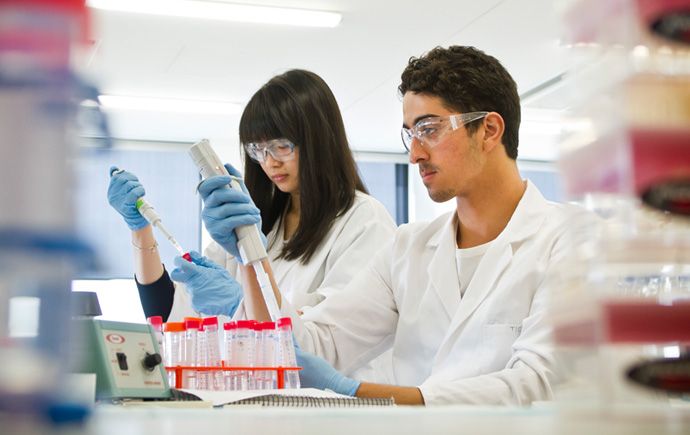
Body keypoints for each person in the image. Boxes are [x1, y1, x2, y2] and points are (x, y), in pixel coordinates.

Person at [212, 46, 582, 405]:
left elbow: (539, 382)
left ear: (489, 130)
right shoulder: (408, 249)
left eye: (429, 129)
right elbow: (308, 345)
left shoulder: (572, 239)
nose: (415, 154)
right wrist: (250, 253)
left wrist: (359, 393)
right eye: (410, 134)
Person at [107, 69, 397, 381]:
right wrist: (140, 228)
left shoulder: (364, 222)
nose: (269, 162)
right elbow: (168, 314)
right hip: (258, 399)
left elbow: (323, 346)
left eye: (281, 146)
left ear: (319, 141)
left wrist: (240, 302)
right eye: (257, 149)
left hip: (333, 405)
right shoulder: (257, 224)